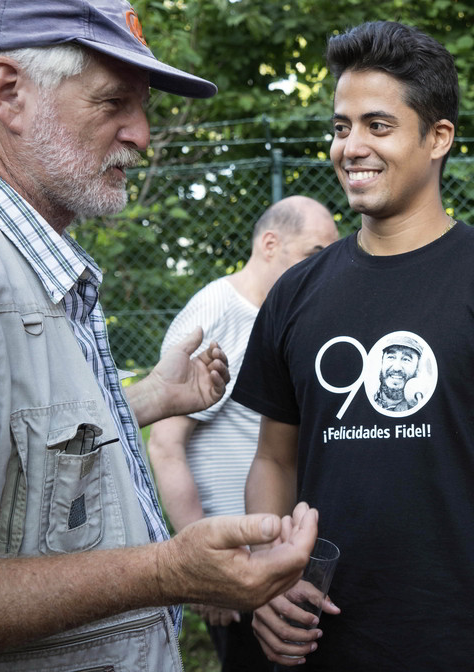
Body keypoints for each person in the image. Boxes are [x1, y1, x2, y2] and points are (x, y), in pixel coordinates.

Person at [0, 1, 317, 668]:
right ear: (10, 93)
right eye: (114, 102)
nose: (142, 135)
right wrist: (166, 573)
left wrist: (149, 398)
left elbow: (5, 455)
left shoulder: (31, 264)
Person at [232, 20, 474, 672]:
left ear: (438, 138)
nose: (351, 146)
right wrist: (266, 578)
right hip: (322, 650)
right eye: (340, 126)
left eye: (378, 126)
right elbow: (273, 460)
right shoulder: (295, 294)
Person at [149, 195, 337, 671]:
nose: (326, 269)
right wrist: (203, 562)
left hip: (279, 554)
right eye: (315, 253)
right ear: (271, 243)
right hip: (236, 562)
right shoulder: (217, 311)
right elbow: (165, 446)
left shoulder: (287, 314)